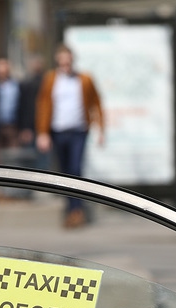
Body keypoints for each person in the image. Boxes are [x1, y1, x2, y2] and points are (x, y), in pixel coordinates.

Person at [35, 43, 104, 229]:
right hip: (58, 132)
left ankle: (76, 209)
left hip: (78, 131)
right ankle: (70, 208)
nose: (66, 66)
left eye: (68, 62)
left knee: (75, 168)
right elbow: (43, 106)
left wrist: (101, 129)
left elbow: (96, 103)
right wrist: (42, 133)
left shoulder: (84, 79)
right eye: (62, 63)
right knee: (65, 172)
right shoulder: (50, 79)